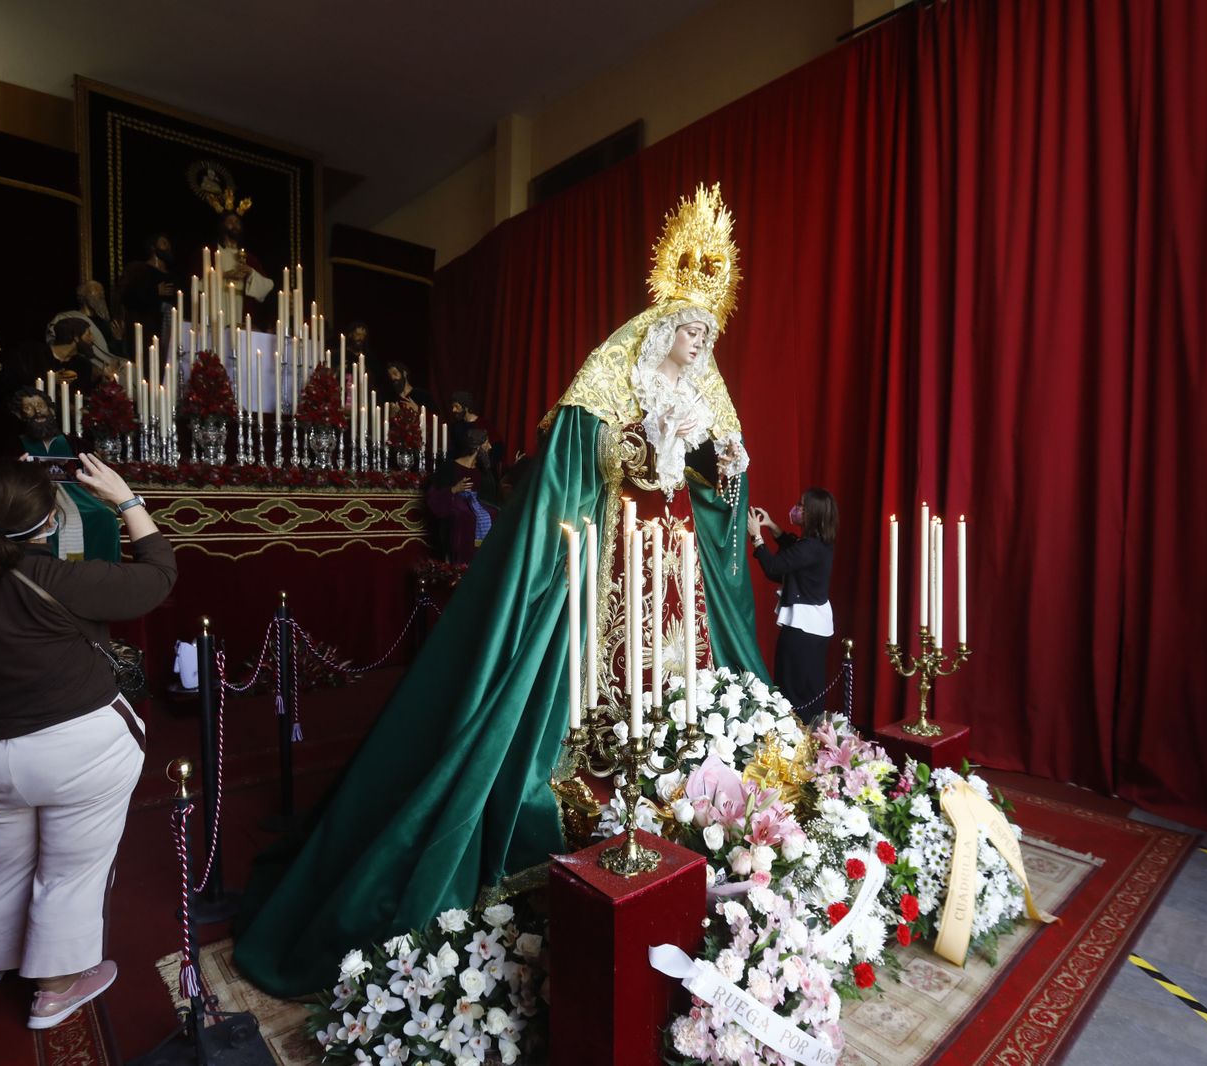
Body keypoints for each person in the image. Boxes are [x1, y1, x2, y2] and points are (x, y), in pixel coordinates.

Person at [234, 184, 767, 996]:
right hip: (611, 557)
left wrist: (722, 471)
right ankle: (585, 779)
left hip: (674, 560)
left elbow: (717, 477)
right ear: (664, 326)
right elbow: (571, 470)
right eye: (691, 329)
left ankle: (684, 764)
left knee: (680, 663)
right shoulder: (611, 376)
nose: (699, 344)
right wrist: (635, 446)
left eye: (707, 332)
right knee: (581, 679)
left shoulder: (706, 392)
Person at [0, 454, 174, 1029]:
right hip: (77, 748)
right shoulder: (68, 579)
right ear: (50, 519)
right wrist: (125, 499)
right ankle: (57, 987)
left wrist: (6, 492)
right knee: (69, 872)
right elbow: (160, 574)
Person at [0, 387, 121, 562]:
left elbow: (93, 472)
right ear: (19, 415)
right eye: (28, 408)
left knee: (105, 516)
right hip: (36, 495)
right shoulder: (13, 445)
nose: (37, 411)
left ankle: (100, 574)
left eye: (41, 405)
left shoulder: (76, 443)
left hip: (79, 497)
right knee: (43, 519)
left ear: (51, 410)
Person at [748, 488, 837, 723]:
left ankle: (797, 741)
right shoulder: (818, 544)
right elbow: (794, 548)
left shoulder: (810, 548)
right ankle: (806, 739)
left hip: (802, 631)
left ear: (813, 515)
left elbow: (775, 567)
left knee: (793, 689)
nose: (796, 510)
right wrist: (772, 526)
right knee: (807, 687)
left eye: (802, 506)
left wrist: (757, 537)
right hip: (813, 629)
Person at [426, 427, 502, 564]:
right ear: (477, 447)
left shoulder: (484, 472)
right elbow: (434, 498)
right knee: (465, 517)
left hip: (479, 506)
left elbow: (492, 498)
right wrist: (454, 489)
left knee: (495, 514)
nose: (490, 447)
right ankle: (461, 566)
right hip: (456, 509)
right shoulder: (449, 467)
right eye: (487, 443)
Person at [48, 282, 126, 375]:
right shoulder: (67, 318)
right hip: (81, 367)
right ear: (82, 297)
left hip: (111, 367)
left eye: (102, 293)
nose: (100, 296)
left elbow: (112, 353)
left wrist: (118, 339)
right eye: (95, 292)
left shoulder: (105, 324)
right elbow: (54, 343)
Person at [214, 210, 275, 328]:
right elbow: (199, 279)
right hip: (220, 301)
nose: (234, 225)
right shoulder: (213, 252)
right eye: (230, 222)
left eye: (237, 222)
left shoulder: (249, 258)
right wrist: (225, 275)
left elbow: (267, 285)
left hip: (241, 304)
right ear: (222, 226)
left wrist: (251, 272)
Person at [117, 233, 178, 344]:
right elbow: (127, 297)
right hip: (147, 332)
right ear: (153, 247)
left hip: (171, 330)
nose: (168, 246)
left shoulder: (174, 275)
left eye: (168, 243)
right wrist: (155, 291)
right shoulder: (137, 270)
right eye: (164, 243)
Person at [24, 318, 100, 395]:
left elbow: (82, 396)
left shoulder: (83, 365)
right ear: (76, 337)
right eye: (88, 334)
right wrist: (50, 379)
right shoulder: (36, 354)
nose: (93, 339)